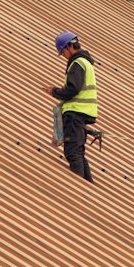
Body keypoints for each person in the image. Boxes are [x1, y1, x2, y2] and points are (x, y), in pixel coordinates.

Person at [48, 32, 97, 183]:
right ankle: (88, 184)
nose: (63, 55)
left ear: (70, 46)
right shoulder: (85, 63)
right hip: (81, 114)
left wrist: (55, 91)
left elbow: (72, 89)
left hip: (75, 113)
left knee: (73, 152)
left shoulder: (77, 63)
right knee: (78, 152)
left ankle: (81, 186)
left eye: (63, 51)